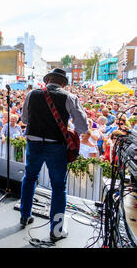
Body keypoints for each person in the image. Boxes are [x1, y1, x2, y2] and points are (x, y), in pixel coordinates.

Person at [20, 68, 88, 241]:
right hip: (56, 146)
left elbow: (25, 120)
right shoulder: (69, 97)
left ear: (48, 79)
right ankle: (56, 230)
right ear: (63, 83)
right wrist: (70, 129)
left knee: (29, 178)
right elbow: (83, 127)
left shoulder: (32, 94)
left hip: (33, 142)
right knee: (58, 186)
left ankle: (25, 215)